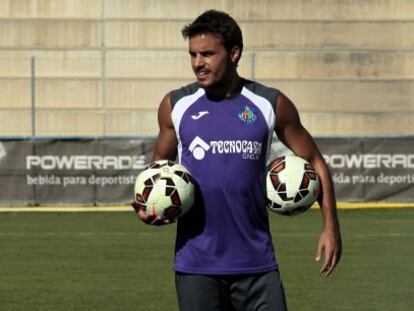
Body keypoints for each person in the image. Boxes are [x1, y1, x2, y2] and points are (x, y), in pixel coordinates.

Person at [132, 10, 342, 311]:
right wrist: (148, 207)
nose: (197, 63)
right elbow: (157, 174)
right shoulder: (175, 106)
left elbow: (315, 161)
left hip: (257, 264)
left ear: (234, 53)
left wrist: (330, 227)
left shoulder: (270, 103)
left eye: (207, 54)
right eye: (192, 54)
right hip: (196, 266)